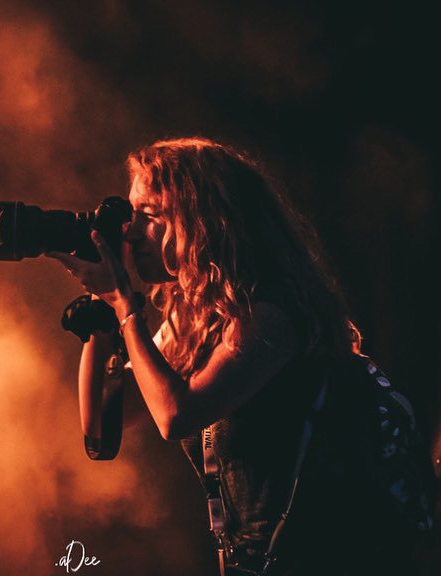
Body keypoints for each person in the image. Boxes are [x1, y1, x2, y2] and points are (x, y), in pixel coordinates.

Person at [47, 137, 367, 575]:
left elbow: (176, 415)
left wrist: (126, 308)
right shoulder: (193, 315)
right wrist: (104, 318)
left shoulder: (271, 311)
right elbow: (102, 425)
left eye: (148, 215)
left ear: (201, 219)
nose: (131, 232)